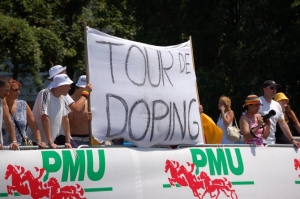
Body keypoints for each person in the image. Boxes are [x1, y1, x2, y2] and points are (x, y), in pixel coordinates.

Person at [31, 74, 73, 149]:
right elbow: (44, 117)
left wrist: (68, 141)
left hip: (50, 144)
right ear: (60, 86)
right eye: (68, 85)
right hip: (38, 143)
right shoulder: (45, 93)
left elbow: (65, 119)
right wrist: (50, 142)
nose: (70, 88)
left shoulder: (63, 98)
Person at [2, 79, 46, 148]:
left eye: (19, 89)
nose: (18, 92)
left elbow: (33, 125)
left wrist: (39, 141)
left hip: (21, 148)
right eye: (15, 90)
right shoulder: (1, 106)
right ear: (7, 91)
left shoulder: (23, 104)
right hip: (4, 148)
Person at [259, 80, 300, 147]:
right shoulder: (257, 102)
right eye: (272, 88)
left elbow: (282, 124)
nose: (274, 90)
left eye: (275, 88)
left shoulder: (277, 105)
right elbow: (247, 118)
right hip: (258, 142)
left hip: (271, 142)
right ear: (264, 89)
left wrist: (292, 140)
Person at [68, 75, 92, 145]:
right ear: (79, 87)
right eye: (86, 89)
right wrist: (84, 118)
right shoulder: (70, 101)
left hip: (89, 138)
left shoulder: (89, 100)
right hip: (76, 138)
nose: (88, 91)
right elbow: (69, 124)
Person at [0, 76, 19, 150]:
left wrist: (14, 141)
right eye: (6, 90)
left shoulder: (2, 99)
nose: (8, 93)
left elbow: (8, 120)